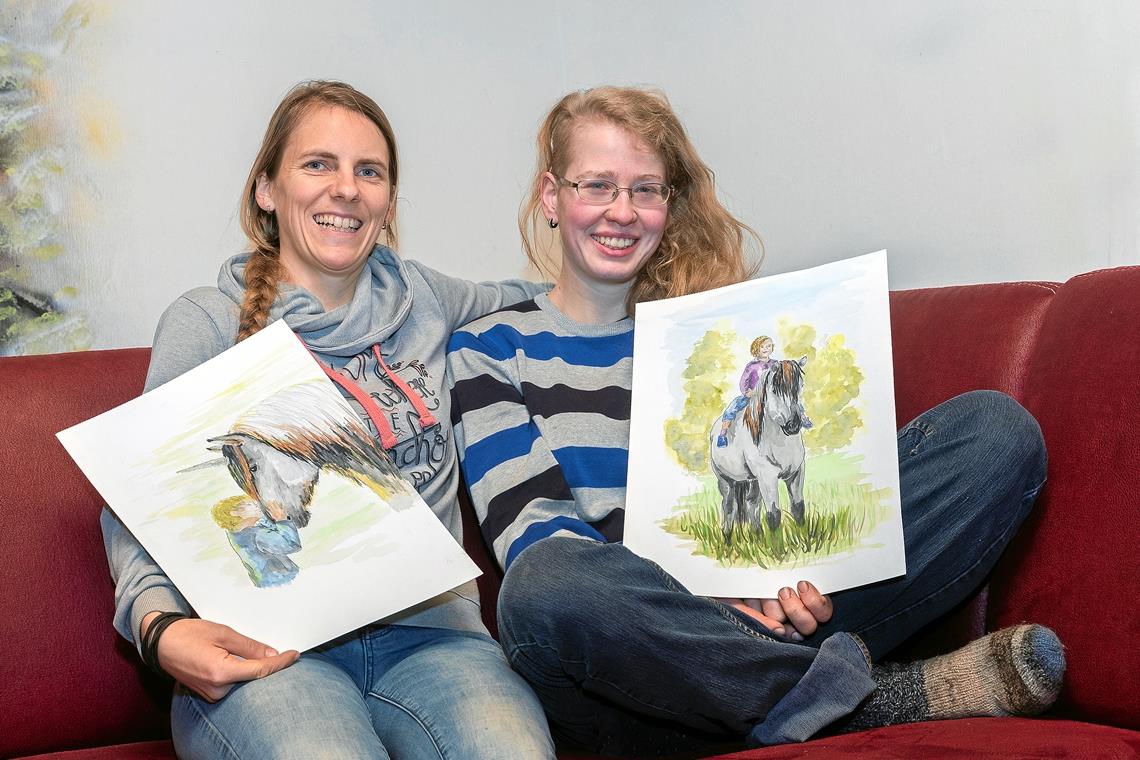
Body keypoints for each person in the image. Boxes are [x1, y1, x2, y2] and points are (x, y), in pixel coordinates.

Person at [447, 85, 1064, 756]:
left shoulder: (713, 333)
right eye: (597, 185)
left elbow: (781, 482)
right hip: (618, 668)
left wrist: (779, 579)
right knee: (545, 580)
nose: (621, 212)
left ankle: (774, 692)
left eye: (646, 189)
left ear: (668, 204)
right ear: (551, 197)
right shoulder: (487, 349)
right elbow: (532, 531)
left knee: (996, 432)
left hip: (774, 620)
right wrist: (701, 606)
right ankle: (879, 700)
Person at [100, 80, 554, 760]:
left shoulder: (427, 296)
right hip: (269, 651)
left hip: (434, 640)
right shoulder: (208, 320)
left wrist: (628, 247)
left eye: (368, 171)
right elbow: (140, 498)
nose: (346, 188)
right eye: (318, 164)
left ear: (388, 202)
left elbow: (550, 303)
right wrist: (159, 626)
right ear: (266, 190)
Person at [716, 334, 812, 447]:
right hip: (754, 395)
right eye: (763, 347)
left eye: (769, 346)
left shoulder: (776, 364)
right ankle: (723, 433)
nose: (766, 349)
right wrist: (747, 392)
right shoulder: (751, 366)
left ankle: (803, 417)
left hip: (771, 395)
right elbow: (743, 382)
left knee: (793, 402)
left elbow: (785, 373)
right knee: (732, 407)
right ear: (756, 349)